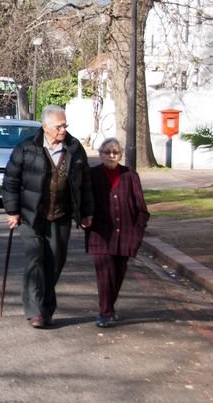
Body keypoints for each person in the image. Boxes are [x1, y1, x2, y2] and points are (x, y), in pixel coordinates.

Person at [1, 105, 94, 328]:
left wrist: (86, 212)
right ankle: (35, 311)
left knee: (55, 263)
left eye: (65, 125)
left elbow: (86, 183)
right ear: (45, 127)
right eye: (58, 126)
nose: (63, 130)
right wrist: (12, 211)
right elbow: (11, 180)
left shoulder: (74, 148)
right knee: (35, 259)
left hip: (61, 215)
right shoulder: (27, 148)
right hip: (31, 216)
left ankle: (46, 309)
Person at [86, 137, 150, 328]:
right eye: (107, 152)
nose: (111, 156)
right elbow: (84, 202)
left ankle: (110, 308)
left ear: (120, 155)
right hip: (100, 234)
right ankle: (104, 313)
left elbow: (141, 208)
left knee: (119, 273)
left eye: (115, 153)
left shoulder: (130, 175)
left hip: (126, 234)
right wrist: (84, 219)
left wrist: (138, 231)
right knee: (105, 274)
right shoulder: (92, 174)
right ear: (100, 154)